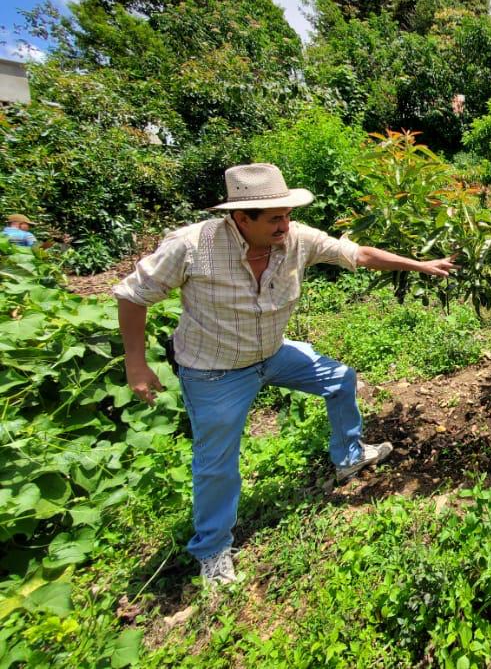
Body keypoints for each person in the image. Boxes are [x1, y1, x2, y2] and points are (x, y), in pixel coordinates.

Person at [112, 163, 457, 586]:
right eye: (275, 216)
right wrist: (136, 363)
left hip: (272, 353)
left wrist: (420, 265)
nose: (285, 223)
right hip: (214, 371)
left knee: (341, 379)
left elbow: (359, 255)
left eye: (288, 214)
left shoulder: (296, 239)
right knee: (216, 463)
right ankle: (213, 549)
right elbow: (132, 294)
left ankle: (348, 457)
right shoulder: (191, 246)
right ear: (241, 217)